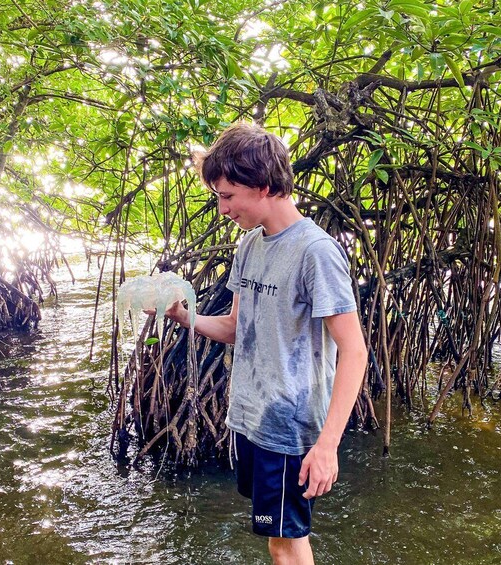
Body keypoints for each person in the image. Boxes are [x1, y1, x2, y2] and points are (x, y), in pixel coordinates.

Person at [161, 123, 368, 564]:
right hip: (250, 418)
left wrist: (327, 445)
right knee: (283, 537)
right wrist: (183, 316)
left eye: (228, 195)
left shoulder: (316, 251)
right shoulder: (250, 245)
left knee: (285, 544)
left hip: (289, 428)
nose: (221, 208)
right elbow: (238, 329)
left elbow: (355, 350)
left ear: (266, 186)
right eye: (218, 196)